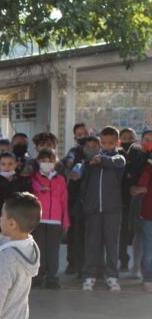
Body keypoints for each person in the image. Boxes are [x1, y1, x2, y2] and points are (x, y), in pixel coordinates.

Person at [80, 126, 126, 291]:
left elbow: (116, 163)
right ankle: (90, 275)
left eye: (110, 143)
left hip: (112, 210)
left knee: (112, 244)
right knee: (92, 244)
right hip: (93, 210)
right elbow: (82, 179)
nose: (106, 146)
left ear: (117, 142)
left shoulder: (119, 158)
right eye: (103, 143)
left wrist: (102, 161)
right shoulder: (91, 161)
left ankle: (113, 276)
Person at [31, 148, 69, 289]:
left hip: (55, 221)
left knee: (53, 251)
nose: (47, 163)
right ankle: (38, 276)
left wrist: (66, 222)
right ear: (38, 161)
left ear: (56, 162)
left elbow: (64, 201)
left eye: (50, 161)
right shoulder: (34, 178)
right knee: (38, 250)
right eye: (43, 161)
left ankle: (52, 277)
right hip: (38, 220)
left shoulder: (60, 179)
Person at [62, 124, 91, 277]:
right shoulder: (74, 152)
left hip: (91, 198)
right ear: (75, 138)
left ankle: (86, 266)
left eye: (85, 133)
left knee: (88, 235)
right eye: (79, 134)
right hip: (74, 198)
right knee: (74, 233)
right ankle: (73, 263)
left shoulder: (96, 150)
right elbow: (67, 162)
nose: (83, 136)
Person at [119, 127, 145, 276]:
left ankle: (137, 266)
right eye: (124, 137)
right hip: (121, 200)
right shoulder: (117, 154)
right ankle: (123, 260)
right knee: (122, 232)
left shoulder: (139, 153)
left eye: (130, 137)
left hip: (137, 200)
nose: (127, 140)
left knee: (137, 233)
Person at [0, 153, 32, 234]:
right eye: (3, 164)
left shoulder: (21, 179)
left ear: (16, 164)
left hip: (16, 216)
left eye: (10, 164)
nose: (7, 166)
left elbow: (28, 194)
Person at [130, 129, 152, 292]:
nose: (148, 142)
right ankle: (142, 273)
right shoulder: (139, 159)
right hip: (144, 209)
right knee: (143, 240)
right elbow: (137, 185)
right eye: (145, 139)